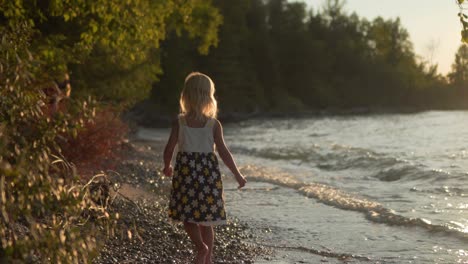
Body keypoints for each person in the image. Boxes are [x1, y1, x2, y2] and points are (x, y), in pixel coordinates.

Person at [163, 72, 247, 264]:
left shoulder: (180, 122)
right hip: (207, 177)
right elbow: (225, 153)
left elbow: (169, 148)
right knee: (207, 219)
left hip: (185, 175)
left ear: (186, 96)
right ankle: (206, 258)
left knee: (188, 216)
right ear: (209, 97)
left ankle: (201, 248)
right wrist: (238, 175)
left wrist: (167, 166)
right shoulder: (213, 124)